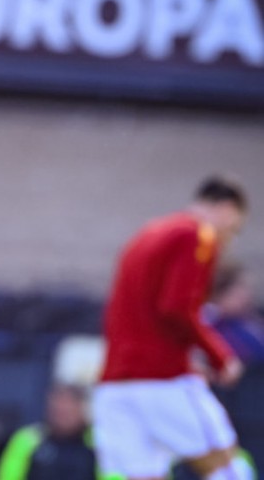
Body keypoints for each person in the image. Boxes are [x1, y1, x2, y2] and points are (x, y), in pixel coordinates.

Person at [93, 175, 251, 480]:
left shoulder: (146, 234)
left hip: (115, 385)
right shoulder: (197, 234)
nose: (229, 237)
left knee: (144, 474)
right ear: (227, 209)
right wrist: (221, 357)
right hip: (164, 381)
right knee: (228, 470)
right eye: (234, 228)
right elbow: (177, 307)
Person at [0, 383, 98, 480]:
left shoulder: (98, 444)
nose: (61, 417)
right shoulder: (28, 440)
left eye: (67, 412)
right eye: (57, 411)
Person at [205, 263, 264, 365]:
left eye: (245, 288)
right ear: (217, 296)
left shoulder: (254, 317)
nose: (245, 295)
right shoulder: (214, 332)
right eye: (236, 293)